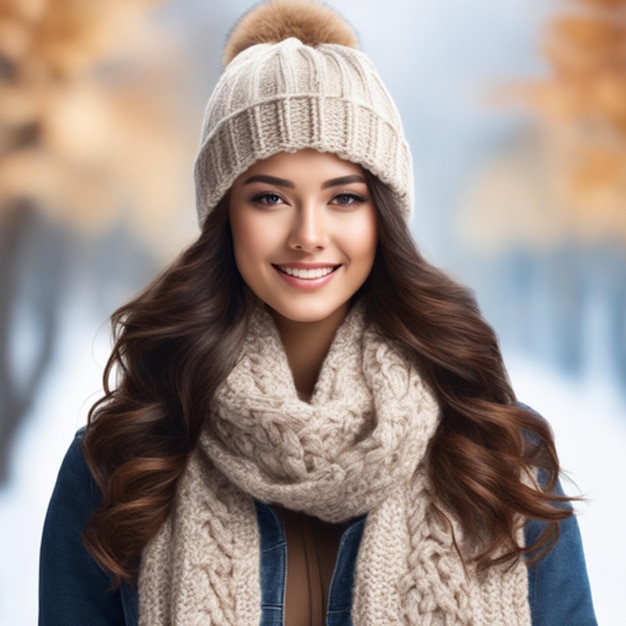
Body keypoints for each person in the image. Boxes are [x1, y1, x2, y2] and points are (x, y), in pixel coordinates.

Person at [39, 1, 597, 624]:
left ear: (382, 216)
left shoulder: (494, 450)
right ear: (225, 216)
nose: (309, 234)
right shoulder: (125, 459)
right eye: (271, 197)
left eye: (344, 197)